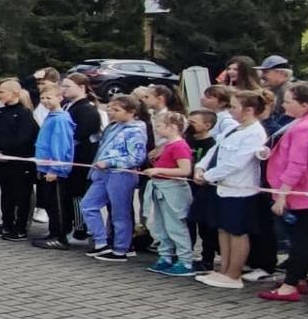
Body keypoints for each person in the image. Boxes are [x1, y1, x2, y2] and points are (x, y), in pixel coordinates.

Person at [257, 82, 308, 301]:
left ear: (305, 105)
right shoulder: (307, 121)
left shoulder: (305, 127)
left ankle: (290, 285)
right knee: (303, 235)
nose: (284, 104)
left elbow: (296, 164)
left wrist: (282, 195)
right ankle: (297, 277)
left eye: (289, 101)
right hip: (302, 190)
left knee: (299, 238)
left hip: (299, 191)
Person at [194, 91, 269, 289]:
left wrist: (208, 177)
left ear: (249, 110)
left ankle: (234, 273)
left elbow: (236, 163)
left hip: (239, 189)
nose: (231, 110)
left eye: (235, 107)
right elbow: (214, 150)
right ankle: (224, 269)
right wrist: (200, 167)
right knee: (223, 229)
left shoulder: (255, 133)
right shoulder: (235, 129)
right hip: (222, 188)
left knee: (237, 232)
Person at [80, 95, 148, 260]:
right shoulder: (113, 126)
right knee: (88, 205)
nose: (111, 112)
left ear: (131, 112)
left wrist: (110, 162)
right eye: (110, 108)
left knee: (120, 213)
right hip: (103, 174)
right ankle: (101, 243)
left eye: (116, 110)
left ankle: (121, 249)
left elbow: (136, 158)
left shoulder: (136, 130)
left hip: (121, 175)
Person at [142, 111, 196, 275]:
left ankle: (185, 261)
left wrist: (158, 169)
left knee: (176, 226)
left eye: (159, 126)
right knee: (161, 225)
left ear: (172, 127)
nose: (156, 129)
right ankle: (165, 256)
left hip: (172, 189)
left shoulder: (179, 145)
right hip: (160, 187)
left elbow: (185, 170)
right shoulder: (167, 145)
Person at [0, 79, 39, 241]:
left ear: (14, 93)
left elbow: (24, 138)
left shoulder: (24, 114)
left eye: (2, 92)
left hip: (20, 162)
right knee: (6, 194)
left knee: (21, 195)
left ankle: (20, 227)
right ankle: (7, 223)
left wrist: (8, 152)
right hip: (2, 162)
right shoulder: (0, 113)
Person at [33, 82, 76, 249]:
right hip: (44, 167)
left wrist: (55, 168)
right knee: (50, 204)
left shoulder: (60, 119)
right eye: (42, 98)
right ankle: (53, 231)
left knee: (57, 204)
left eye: (49, 97)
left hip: (54, 170)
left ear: (60, 98)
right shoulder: (51, 116)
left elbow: (60, 145)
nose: (45, 101)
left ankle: (60, 237)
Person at [61, 74, 103, 241]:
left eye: (68, 86)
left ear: (82, 87)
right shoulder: (68, 106)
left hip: (81, 159)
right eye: (62, 86)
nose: (63, 90)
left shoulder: (87, 109)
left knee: (78, 193)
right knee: (69, 193)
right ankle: (68, 225)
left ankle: (80, 228)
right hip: (69, 159)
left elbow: (81, 134)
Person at [185, 109, 222, 272]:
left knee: (205, 226)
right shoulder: (187, 140)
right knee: (189, 222)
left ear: (207, 125)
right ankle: (187, 253)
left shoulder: (211, 145)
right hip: (186, 186)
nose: (189, 125)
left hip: (204, 189)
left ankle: (208, 258)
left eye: (193, 122)